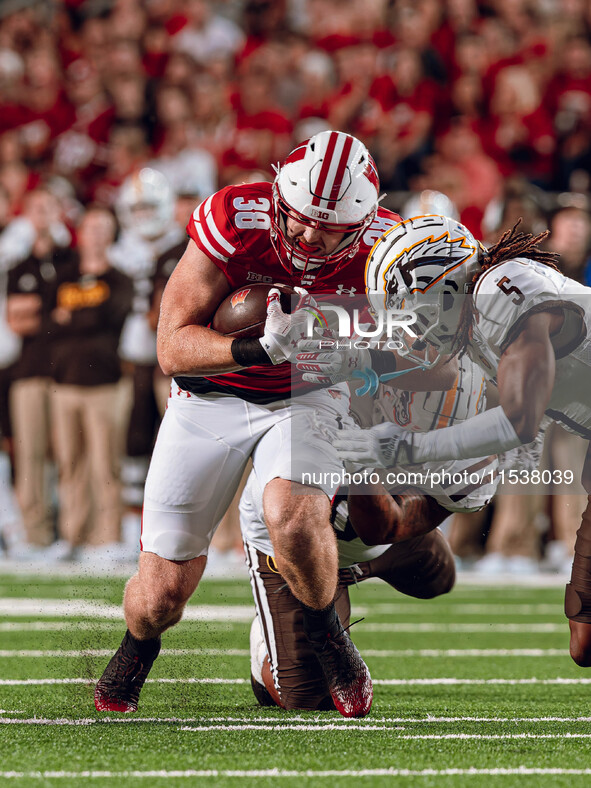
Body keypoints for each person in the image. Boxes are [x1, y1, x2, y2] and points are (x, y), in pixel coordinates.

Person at [94, 130, 412, 718]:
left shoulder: (389, 246)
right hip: (208, 398)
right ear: (279, 199)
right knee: (160, 595)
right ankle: (138, 648)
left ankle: (330, 638)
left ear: (364, 220)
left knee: (291, 513)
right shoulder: (237, 219)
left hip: (306, 397)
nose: (312, 237)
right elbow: (171, 345)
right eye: (300, 219)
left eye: (332, 227)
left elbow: (414, 338)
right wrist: (255, 347)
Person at [324, 214, 591, 669]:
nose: (415, 329)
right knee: (585, 642)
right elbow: (455, 374)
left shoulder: (507, 294)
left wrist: (405, 448)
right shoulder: (480, 307)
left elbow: (518, 420)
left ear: (443, 286)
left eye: (413, 310)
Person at [243, 355, 504, 711]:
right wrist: (361, 459)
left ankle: (350, 572)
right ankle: (271, 638)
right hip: (299, 536)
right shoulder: (342, 399)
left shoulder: (474, 457)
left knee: (438, 575)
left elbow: (389, 527)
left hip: (372, 535)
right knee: (307, 696)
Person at [47, 205, 133, 561]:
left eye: (104, 228)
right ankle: (72, 536)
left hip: (105, 383)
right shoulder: (63, 276)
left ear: (111, 235)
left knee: (105, 464)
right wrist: (77, 318)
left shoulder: (119, 278)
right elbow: (47, 325)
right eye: (91, 228)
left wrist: (71, 317)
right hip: (64, 383)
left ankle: (107, 537)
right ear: (80, 233)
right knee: (69, 464)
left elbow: (108, 318)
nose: (96, 234)